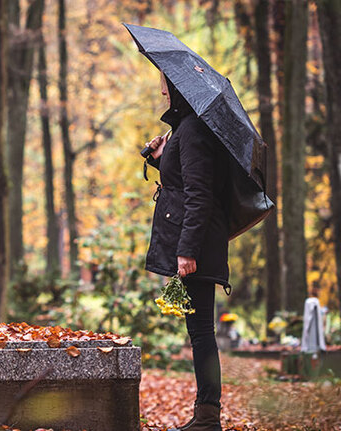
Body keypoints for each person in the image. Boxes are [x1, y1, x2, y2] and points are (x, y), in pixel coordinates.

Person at [143, 72, 230, 431]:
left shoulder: (193, 130)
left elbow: (199, 194)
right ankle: (206, 414)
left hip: (198, 245)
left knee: (201, 333)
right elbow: (179, 181)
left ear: (178, 88)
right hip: (196, 243)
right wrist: (157, 156)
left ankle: (208, 416)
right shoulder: (185, 130)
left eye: (166, 84)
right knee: (199, 332)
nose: (163, 90)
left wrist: (187, 251)